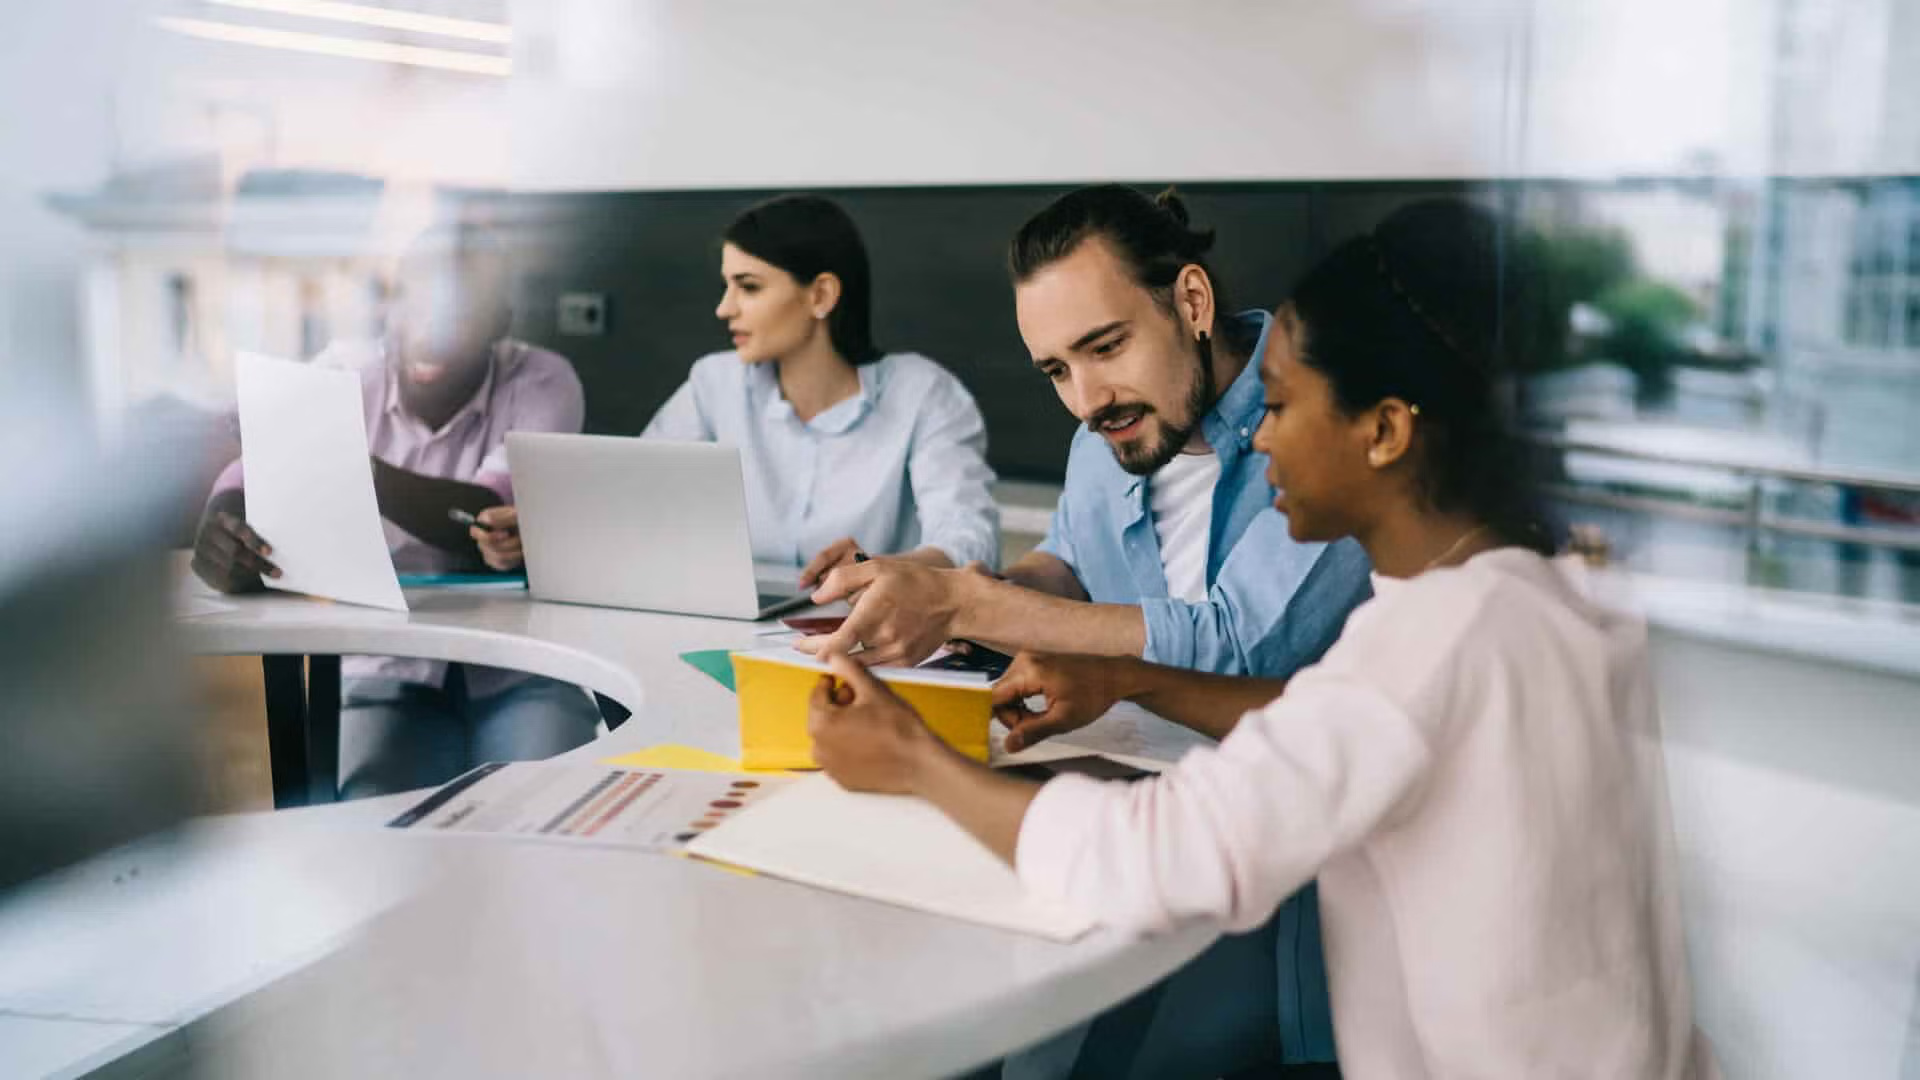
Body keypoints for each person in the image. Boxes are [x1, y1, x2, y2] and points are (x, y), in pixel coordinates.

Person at [807, 200, 1719, 1078]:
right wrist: (1134, 679)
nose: (1256, 438)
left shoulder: (1430, 638)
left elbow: (1162, 855)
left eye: (1279, 404)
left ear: (1386, 430)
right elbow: (1331, 714)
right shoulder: (1552, 592)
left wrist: (911, 759)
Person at [795, 185, 1371, 678]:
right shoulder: (1104, 434)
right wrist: (939, 588)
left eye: (1107, 347)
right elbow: (1070, 569)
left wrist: (967, 606)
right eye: (1056, 371)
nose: (1087, 402)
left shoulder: (1333, 418)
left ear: (1192, 303)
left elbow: (1242, 649)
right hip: (1129, 757)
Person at [190, 224, 602, 800]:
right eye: (414, 300)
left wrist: (359, 472)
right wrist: (226, 517)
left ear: (500, 323)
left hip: (522, 669)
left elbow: (483, 511)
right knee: (373, 822)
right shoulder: (345, 372)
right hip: (386, 666)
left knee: (550, 807)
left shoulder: (541, 380)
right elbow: (249, 467)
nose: (431, 327)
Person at [639, 193, 999, 585]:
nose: (725, 309)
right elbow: (635, 497)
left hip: (865, 628)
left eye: (749, 287)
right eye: (727, 286)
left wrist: (881, 571)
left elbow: (970, 541)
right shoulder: (713, 384)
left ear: (821, 295)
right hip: (733, 618)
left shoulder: (924, 393)